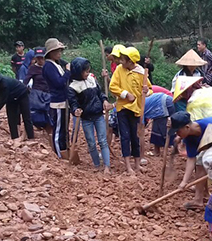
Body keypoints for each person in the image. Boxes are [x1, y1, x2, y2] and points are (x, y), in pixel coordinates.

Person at [109, 46, 151, 175]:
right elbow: (113, 86)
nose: (121, 62)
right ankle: (128, 166)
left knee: (135, 136)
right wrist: (125, 94)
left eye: (124, 59)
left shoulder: (141, 72)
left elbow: (149, 88)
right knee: (125, 136)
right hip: (123, 108)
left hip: (136, 109)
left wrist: (146, 91)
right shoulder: (119, 70)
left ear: (131, 61)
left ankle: (137, 165)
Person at [69, 57, 112, 173]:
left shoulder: (92, 79)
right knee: (91, 143)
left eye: (88, 71)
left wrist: (105, 100)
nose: (88, 73)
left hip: (98, 115)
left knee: (103, 140)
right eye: (85, 71)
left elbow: (100, 93)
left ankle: (107, 166)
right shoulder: (73, 86)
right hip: (86, 118)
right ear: (78, 72)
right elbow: (73, 102)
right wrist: (75, 110)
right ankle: (97, 165)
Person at [42, 38, 71, 159]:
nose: (60, 53)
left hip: (63, 101)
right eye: (57, 51)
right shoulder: (49, 66)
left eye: (60, 51)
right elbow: (59, 83)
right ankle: (59, 154)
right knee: (59, 130)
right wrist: (68, 72)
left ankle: (64, 151)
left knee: (64, 129)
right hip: (57, 102)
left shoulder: (56, 64)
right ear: (51, 53)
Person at [144, 92, 174, 156]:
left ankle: (165, 151)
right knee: (157, 127)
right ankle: (158, 151)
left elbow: (142, 123)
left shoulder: (139, 108)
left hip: (164, 105)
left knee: (163, 127)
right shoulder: (142, 102)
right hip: (164, 102)